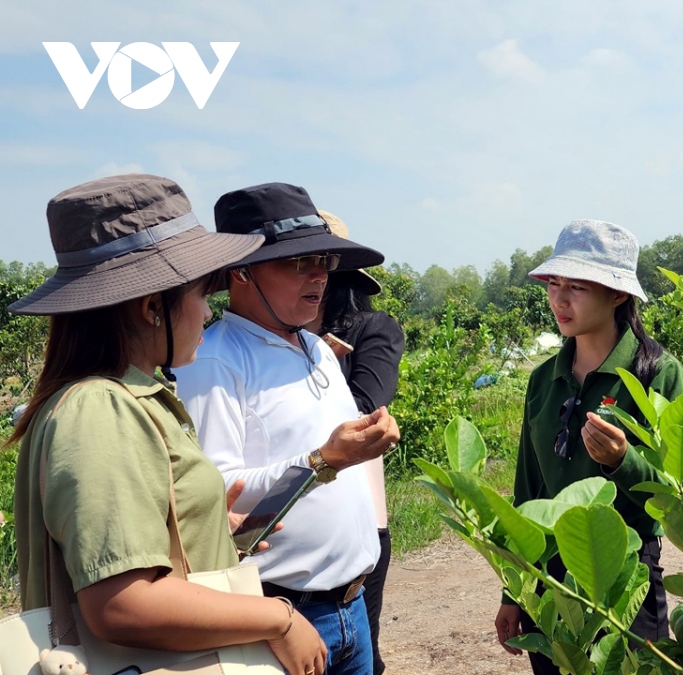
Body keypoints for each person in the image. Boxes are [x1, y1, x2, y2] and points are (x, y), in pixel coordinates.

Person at [7, 174, 327, 675]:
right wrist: (280, 619)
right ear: (153, 307)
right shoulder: (100, 410)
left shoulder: (122, 399)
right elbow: (122, 604)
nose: (207, 313)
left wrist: (208, 529)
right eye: (202, 295)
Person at [175, 183, 401, 675]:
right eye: (298, 262)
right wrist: (325, 459)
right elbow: (215, 498)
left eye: (323, 259)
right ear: (239, 271)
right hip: (282, 615)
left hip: (352, 605)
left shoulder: (317, 349)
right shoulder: (214, 360)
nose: (319, 274)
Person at [493, 219, 683, 674]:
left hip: (624, 570)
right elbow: (527, 490)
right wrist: (513, 590)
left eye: (577, 287)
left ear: (618, 294)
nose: (559, 300)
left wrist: (623, 462)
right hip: (548, 574)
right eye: (554, 284)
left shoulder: (655, 375)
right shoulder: (544, 380)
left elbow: (674, 496)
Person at [306, 210, 405, 675]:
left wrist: (320, 359)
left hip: (358, 514)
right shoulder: (272, 340)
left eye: (321, 267)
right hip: (291, 524)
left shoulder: (372, 330)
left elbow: (369, 405)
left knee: (358, 651)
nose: (311, 279)